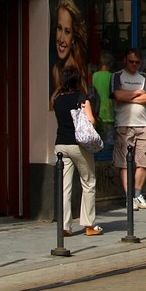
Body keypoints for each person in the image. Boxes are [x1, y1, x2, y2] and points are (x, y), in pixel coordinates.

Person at [51, 65, 102, 236]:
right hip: (78, 145)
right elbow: (91, 121)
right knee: (88, 182)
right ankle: (89, 224)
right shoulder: (81, 97)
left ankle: (65, 227)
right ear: (77, 81)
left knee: (65, 187)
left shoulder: (57, 99)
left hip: (60, 145)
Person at [111, 48, 146, 209]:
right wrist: (137, 92)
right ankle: (129, 197)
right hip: (124, 124)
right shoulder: (117, 76)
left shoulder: (144, 77)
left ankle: (137, 194)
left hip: (143, 124)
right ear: (125, 60)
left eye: (137, 62)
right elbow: (117, 95)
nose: (134, 65)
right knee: (124, 163)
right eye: (131, 62)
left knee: (144, 161)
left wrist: (128, 96)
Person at [51, 0, 89, 109]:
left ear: (73, 38)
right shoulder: (57, 69)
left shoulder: (75, 68)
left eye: (67, 32)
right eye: (59, 28)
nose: (61, 39)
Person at [91, 52, 114, 141]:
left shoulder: (94, 76)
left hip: (97, 112)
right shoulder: (111, 76)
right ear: (110, 64)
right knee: (109, 141)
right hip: (109, 111)